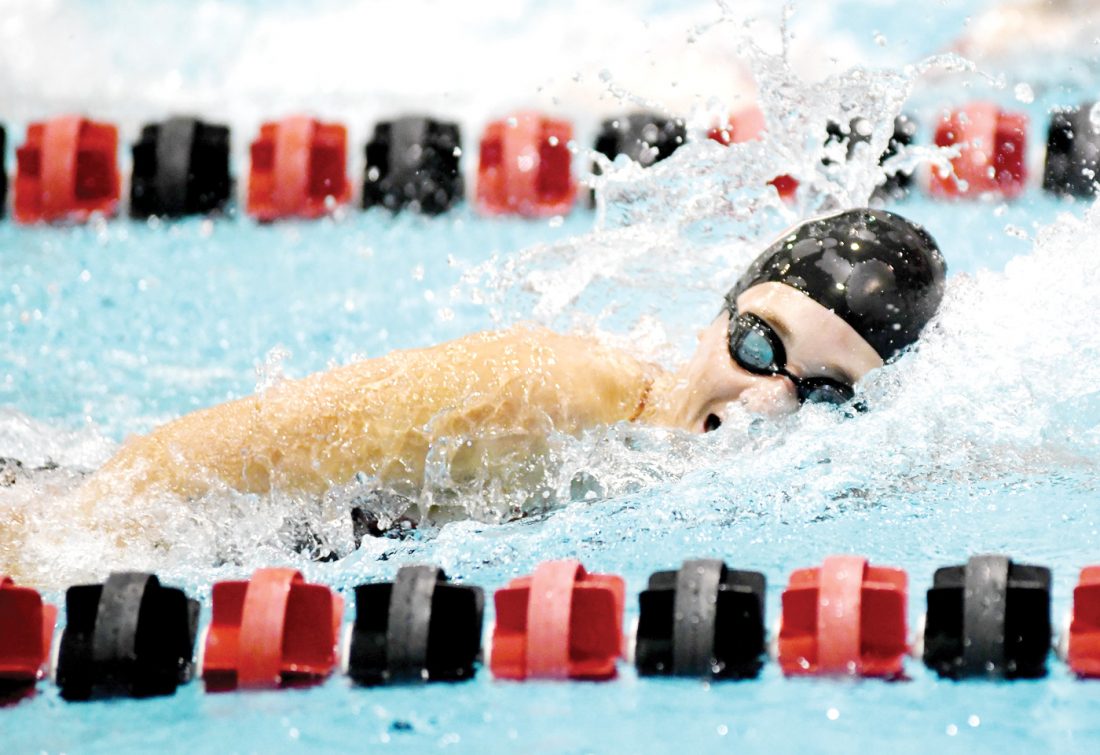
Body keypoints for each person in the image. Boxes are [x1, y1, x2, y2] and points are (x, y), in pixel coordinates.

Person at [73, 207, 945, 538]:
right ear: (718, 315)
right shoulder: (545, 391)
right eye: (758, 345)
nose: (767, 402)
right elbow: (178, 467)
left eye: (823, 394)